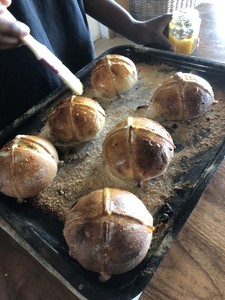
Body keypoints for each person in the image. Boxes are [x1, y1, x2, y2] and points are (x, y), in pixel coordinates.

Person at [0, 0, 175, 131]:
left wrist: (132, 26)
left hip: (72, 42)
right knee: (33, 128)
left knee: (89, 102)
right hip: (18, 78)